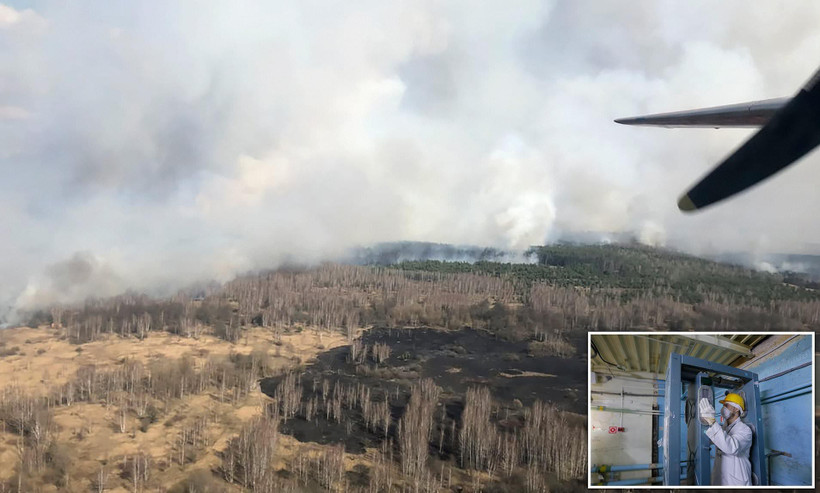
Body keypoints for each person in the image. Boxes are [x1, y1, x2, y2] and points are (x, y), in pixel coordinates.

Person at [698, 393, 753, 486]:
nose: (723, 408)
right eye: (723, 405)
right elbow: (715, 439)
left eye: (726, 405)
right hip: (720, 475)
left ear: (736, 408)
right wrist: (705, 422)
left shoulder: (745, 430)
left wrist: (713, 422)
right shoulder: (724, 427)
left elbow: (732, 448)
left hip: (736, 481)